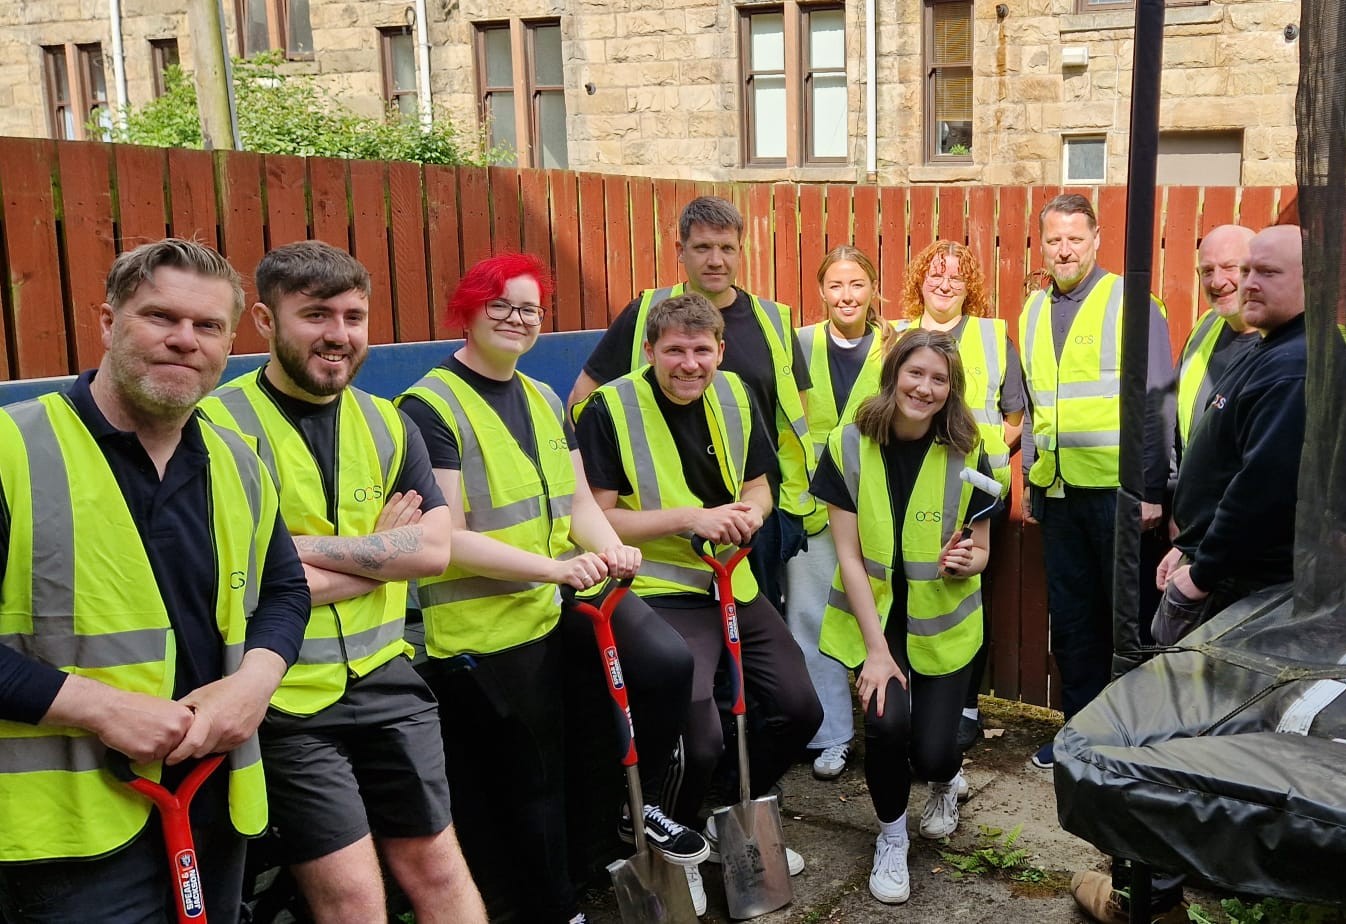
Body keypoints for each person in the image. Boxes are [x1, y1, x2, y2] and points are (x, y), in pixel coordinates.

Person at [0, 239, 310, 923]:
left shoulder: (237, 458)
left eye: (207, 327)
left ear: (231, 343)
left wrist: (251, 687)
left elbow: (286, 592)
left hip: (212, 799)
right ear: (107, 323)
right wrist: (100, 708)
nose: (183, 341)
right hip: (66, 833)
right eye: (159, 317)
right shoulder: (11, 450)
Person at [396, 253, 700, 924]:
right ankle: (552, 907)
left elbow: (576, 505)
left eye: (529, 308)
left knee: (652, 679)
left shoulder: (539, 395)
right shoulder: (430, 405)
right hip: (483, 633)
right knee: (534, 783)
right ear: (468, 310)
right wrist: (557, 570)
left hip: (547, 607)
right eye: (500, 304)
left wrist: (609, 545)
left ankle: (620, 826)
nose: (516, 318)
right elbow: (445, 543)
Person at [199, 241, 485, 924]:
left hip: (388, 679)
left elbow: (435, 551)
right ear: (265, 323)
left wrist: (298, 554)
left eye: (354, 316)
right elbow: (231, 583)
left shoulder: (388, 422)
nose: (339, 335)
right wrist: (379, 556)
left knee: (439, 871)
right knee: (356, 899)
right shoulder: (215, 427)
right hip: (285, 699)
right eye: (316, 315)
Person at [1070, 226, 1305, 924]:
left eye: (1266, 272)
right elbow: (1220, 459)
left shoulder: (1293, 366)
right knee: (1201, 737)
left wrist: (1200, 571)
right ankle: (1178, 882)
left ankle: (1148, 899)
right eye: (1242, 269)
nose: (1246, 282)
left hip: (1239, 593)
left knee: (1164, 735)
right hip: (1217, 571)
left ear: (1312, 281)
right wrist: (1190, 543)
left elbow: (1263, 490)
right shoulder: (1258, 347)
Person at [574, 293, 822, 916]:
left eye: (702, 350)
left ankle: (722, 814)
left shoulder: (737, 395)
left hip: (730, 578)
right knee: (702, 737)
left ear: (720, 351)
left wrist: (749, 516)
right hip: (658, 590)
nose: (689, 363)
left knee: (799, 708)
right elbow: (597, 519)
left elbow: (762, 487)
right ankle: (665, 837)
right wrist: (693, 519)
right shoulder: (609, 408)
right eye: (675, 350)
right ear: (652, 350)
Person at [812, 330, 995, 905]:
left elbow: (984, 550)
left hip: (943, 622)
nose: (926, 387)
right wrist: (876, 651)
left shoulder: (970, 448)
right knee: (888, 729)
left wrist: (968, 559)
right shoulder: (848, 444)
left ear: (951, 389)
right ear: (894, 375)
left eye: (940, 379)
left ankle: (947, 781)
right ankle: (892, 838)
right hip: (878, 621)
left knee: (934, 752)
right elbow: (846, 553)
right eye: (916, 373)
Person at [567, 195, 813, 610]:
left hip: (754, 508)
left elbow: (796, 414)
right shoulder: (646, 313)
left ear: (741, 252)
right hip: (660, 529)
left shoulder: (773, 320)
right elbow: (583, 400)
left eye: (726, 248)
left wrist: (771, 506)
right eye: (702, 248)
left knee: (759, 628)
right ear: (680, 251)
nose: (715, 260)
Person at [1019, 194, 1174, 769]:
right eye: (1054, 239)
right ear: (1043, 243)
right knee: (1073, 619)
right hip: (1059, 494)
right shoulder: (1033, 310)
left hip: (1118, 495)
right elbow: (1038, 406)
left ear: (1096, 239)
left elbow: (1158, 402)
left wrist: (1152, 490)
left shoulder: (1130, 302)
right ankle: (1077, 733)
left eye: (1075, 239)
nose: (1063, 250)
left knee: (1127, 621)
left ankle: (1129, 739)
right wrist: (1036, 483)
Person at [896, 239, 1026, 752]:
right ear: (920, 281)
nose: (945, 283)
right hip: (910, 485)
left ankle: (966, 704)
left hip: (977, 486)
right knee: (912, 588)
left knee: (967, 594)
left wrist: (980, 453)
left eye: (956, 275)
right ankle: (914, 699)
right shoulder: (897, 335)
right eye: (935, 274)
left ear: (970, 285)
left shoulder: (994, 335)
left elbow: (1015, 417)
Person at [789, 246, 898, 781]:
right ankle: (831, 734)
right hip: (812, 505)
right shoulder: (801, 343)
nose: (847, 295)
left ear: (872, 288)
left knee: (879, 614)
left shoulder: (895, 342)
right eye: (835, 285)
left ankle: (891, 723)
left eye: (857, 284)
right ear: (821, 291)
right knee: (809, 618)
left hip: (875, 506)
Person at [1174, 224, 1259, 459]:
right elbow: (1170, 414)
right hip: (1190, 492)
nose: (1217, 282)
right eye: (1207, 271)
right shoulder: (1205, 326)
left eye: (1230, 267)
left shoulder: (1297, 343)